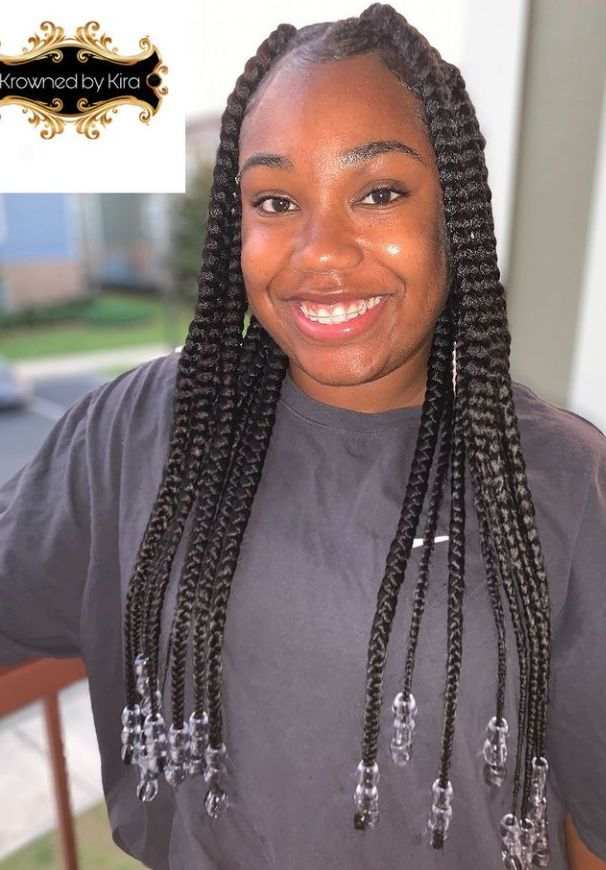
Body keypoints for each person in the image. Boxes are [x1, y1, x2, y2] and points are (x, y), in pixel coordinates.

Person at [1, 4, 605, 868]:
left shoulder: (562, 482)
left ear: (454, 212)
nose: (321, 251)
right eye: (276, 201)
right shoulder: (140, 431)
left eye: (379, 193)